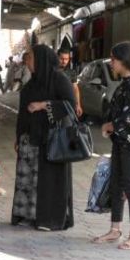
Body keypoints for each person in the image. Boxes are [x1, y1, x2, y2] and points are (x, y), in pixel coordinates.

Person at [92, 40, 130, 251]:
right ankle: (115, 229)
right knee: (117, 185)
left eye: (114, 59)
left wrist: (110, 125)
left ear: (124, 61)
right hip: (121, 142)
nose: (111, 63)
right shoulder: (126, 84)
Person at [11, 44, 78, 231]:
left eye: (30, 57)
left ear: (41, 59)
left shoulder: (59, 79)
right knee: (29, 179)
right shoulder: (32, 82)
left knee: (48, 181)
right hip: (30, 139)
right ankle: (29, 215)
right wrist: (19, 136)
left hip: (52, 140)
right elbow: (22, 113)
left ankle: (49, 218)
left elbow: (70, 105)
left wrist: (43, 105)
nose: (27, 61)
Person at [58, 42, 83, 119]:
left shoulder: (71, 72)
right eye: (62, 58)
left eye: (66, 59)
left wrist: (78, 105)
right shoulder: (51, 70)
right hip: (53, 105)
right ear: (57, 57)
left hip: (68, 106)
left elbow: (75, 89)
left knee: (68, 128)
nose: (64, 61)